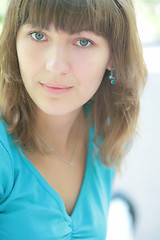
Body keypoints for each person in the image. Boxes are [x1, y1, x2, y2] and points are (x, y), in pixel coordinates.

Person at [0, 0, 147, 239]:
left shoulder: (107, 130)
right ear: (14, 41)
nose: (56, 66)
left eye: (83, 41)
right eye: (38, 35)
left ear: (113, 55)